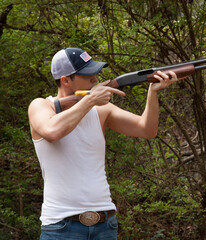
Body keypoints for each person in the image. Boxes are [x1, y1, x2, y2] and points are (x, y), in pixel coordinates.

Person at [28, 47, 179, 239]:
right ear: (66, 80)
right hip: (61, 226)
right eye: (87, 74)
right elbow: (52, 131)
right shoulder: (41, 105)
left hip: (105, 224)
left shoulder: (101, 109)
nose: (95, 79)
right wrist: (89, 100)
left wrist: (153, 93)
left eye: (95, 72)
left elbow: (146, 130)